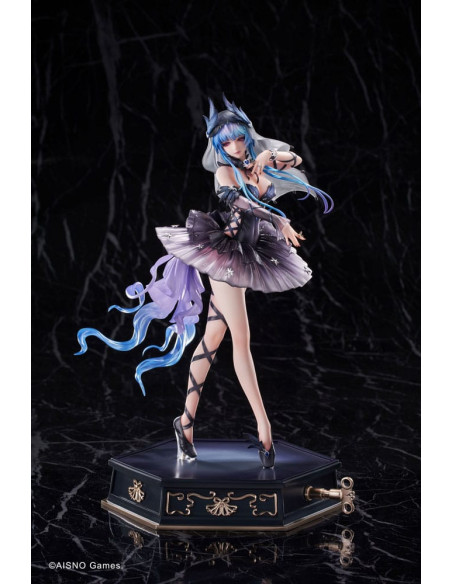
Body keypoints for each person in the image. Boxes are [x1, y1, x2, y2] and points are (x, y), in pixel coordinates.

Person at [76, 95, 333, 469]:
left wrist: (267, 157)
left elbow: (294, 160)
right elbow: (242, 205)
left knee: (211, 341)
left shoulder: (255, 162)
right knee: (241, 342)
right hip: (225, 257)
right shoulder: (224, 173)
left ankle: (184, 423)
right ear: (218, 147)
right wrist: (277, 218)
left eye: (240, 139)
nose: (235, 147)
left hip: (248, 253)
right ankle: (264, 428)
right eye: (227, 143)